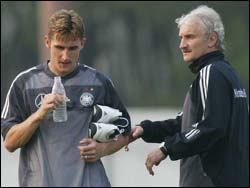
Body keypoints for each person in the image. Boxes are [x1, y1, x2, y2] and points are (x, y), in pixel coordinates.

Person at [1, 9, 131, 187]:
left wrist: (102, 149)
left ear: (82, 44)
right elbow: (9, 142)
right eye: (59, 47)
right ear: (47, 42)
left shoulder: (98, 82)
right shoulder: (25, 83)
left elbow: (125, 130)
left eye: (72, 48)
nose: (65, 56)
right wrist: (39, 114)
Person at [127, 5, 249, 187]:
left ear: (211, 40)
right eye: (181, 38)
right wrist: (146, 129)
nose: (182, 45)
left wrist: (166, 149)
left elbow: (211, 126)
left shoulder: (212, 73)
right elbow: (185, 124)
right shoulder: (228, 74)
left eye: (190, 37)